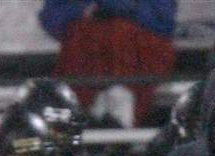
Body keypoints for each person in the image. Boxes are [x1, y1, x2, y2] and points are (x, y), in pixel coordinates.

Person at [38, 0, 177, 127]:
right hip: (86, 57)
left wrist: (125, 9)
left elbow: (164, 22)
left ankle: (121, 121)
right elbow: (52, 18)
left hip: (137, 56)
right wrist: (88, 9)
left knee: (120, 32)